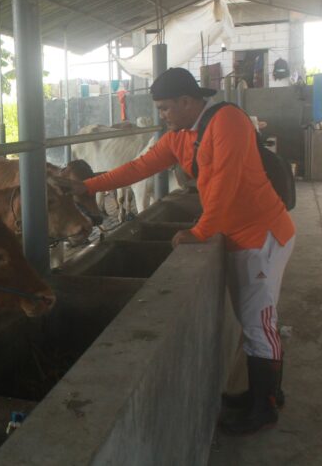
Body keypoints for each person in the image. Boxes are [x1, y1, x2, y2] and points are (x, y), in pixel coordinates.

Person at [64, 67, 295, 435]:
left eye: (166, 107)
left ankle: (265, 406)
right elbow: (139, 166)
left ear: (188, 101)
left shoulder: (228, 121)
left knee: (258, 322)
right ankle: (261, 393)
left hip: (261, 234)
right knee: (252, 318)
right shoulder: (180, 137)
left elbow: (225, 182)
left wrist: (201, 230)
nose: (162, 115)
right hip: (237, 236)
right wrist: (87, 186)